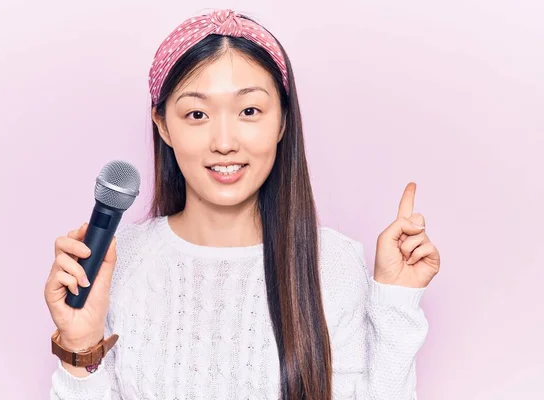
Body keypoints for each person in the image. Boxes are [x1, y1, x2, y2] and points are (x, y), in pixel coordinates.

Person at [44, 9, 440, 400]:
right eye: (197, 114)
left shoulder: (332, 264)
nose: (224, 141)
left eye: (249, 111)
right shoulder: (119, 261)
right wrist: (80, 344)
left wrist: (396, 302)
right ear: (163, 125)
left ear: (283, 119)